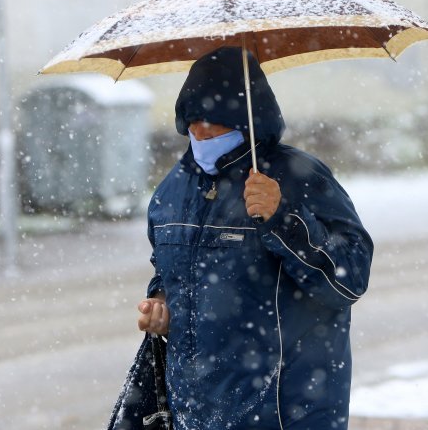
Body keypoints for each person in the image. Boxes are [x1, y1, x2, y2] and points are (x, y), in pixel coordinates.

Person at [136, 47, 373, 430]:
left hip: (283, 413)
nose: (199, 132)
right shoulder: (172, 189)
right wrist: (161, 301)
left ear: (245, 118)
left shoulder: (298, 176)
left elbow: (349, 279)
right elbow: (169, 272)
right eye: (191, 119)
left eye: (212, 120)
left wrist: (283, 218)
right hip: (195, 414)